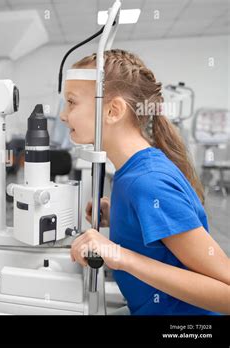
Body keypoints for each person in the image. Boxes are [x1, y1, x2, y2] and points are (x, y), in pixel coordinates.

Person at [61, 49, 229, 315]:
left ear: (113, 110)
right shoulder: (131, 173)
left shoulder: (148, 182)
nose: (62, 115)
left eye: (71, 102)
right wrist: (122, 218)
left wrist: (122, 257)